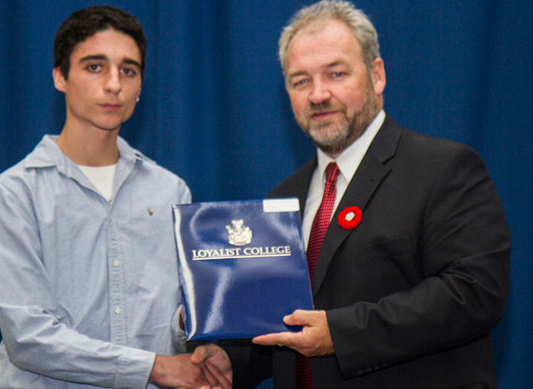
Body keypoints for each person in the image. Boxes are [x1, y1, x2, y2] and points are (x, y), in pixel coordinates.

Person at [192, 1, 510, 387]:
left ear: (377, 75)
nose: (318, 95)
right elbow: (281, 326)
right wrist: (231, 363)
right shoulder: (282, 198)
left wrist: (340, 334)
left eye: (336, 73)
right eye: (300, 81)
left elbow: (475, 293)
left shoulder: (444, 168)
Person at [0, 6, 229, 388]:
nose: (114, 83)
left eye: (128, 70)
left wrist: (193, 331)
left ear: (141, 86)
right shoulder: (15, 192)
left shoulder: (170, 190)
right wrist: (155, 367)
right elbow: (29, 338)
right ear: (60, 76)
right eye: (95, 67)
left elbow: (172, 326)